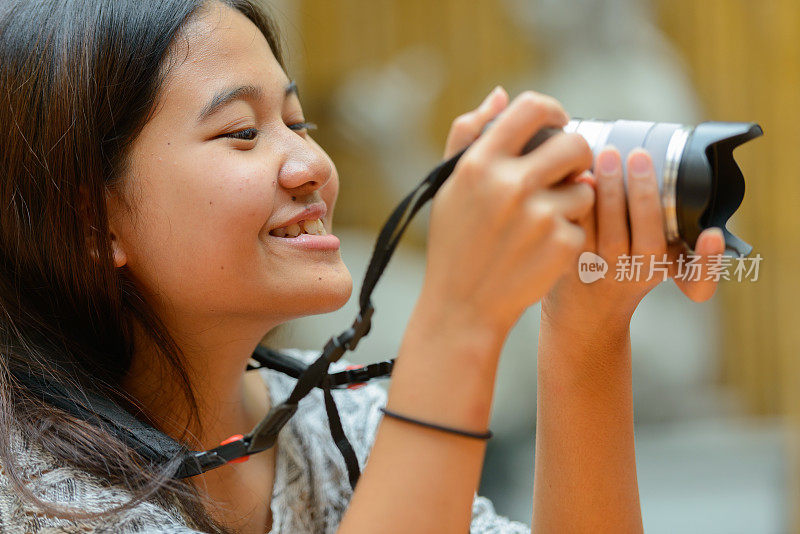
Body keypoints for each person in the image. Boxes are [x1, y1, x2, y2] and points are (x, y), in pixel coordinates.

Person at [0, 0, 726, 532]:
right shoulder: (36, 496)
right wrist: (459, 318)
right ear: (90, 221)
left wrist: (585, 334)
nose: (313, 165)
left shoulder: (340, 425)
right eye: (243, 131)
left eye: (300, 122)